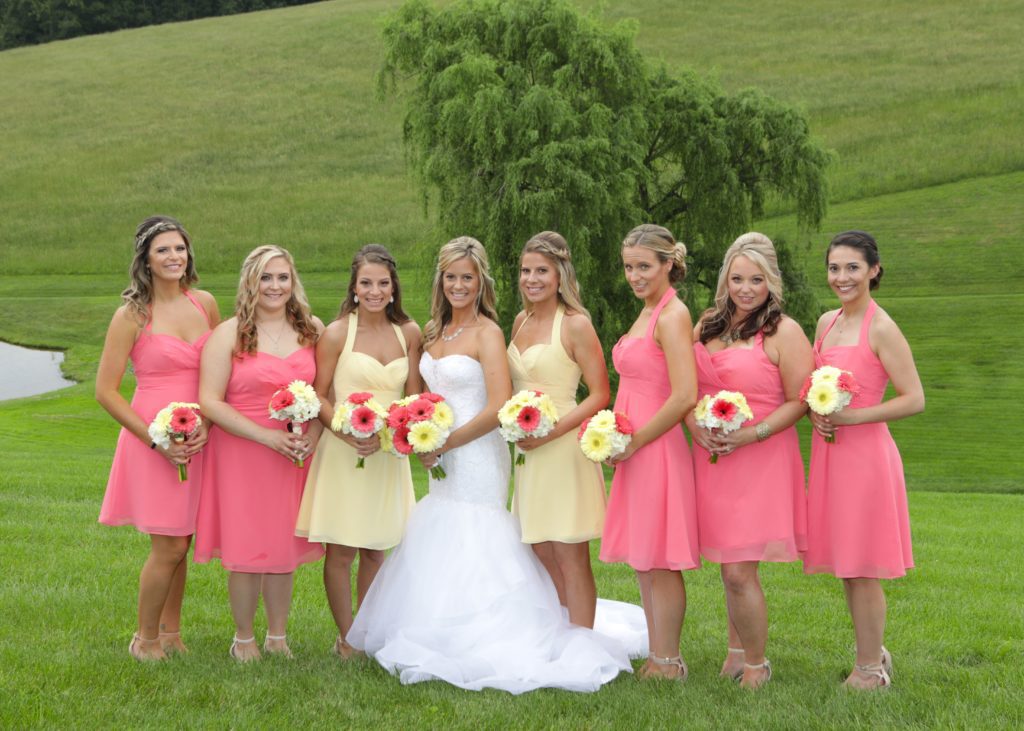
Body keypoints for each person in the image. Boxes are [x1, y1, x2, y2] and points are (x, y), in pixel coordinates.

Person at [347, 236, 633, 694]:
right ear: (440, 280)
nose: (459, 285)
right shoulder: (438, 332)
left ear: (481, 282)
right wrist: (416, 434)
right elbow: (420, 394)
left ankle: (554, 637)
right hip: (458, 452)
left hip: (480, 451)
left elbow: (499, 402)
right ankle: (450, 629)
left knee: (500, 535)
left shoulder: (491, 331)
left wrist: (448, 442)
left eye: (468, 277)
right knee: (519, 543)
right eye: (451, 277)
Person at [685, 232, 812, 689]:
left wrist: (749, 434)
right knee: (728, 564)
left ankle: (757, 664)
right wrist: (693, 424)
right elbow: (685, 386)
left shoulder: (784, 331)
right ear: (724, 280)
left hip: (761, 457)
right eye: (737, 278)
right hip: (714, 457)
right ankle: (735, 652)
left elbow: (800, 400)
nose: (745, 288)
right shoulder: (706, 326)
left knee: (740, 570)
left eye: (755, 279)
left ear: (771, 282)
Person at [805, 230, 924, 689]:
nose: (842, 277)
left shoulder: (881, 327)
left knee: (864, 566)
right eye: (834, 268)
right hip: (832, 457)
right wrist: (819, 412)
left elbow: (914, 398)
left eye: (852, 267)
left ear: (874, 270)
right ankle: (872, 653)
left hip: (867, 458)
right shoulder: (825, 322)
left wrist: (854, 418)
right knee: (847, 565)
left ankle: (871, 671)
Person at [97, 216, 219, 661]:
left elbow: (219, 371)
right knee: (168, 543)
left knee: (181, 537)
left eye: (180, 249)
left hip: (199, 439)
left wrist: (212, 420)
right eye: (163, 250)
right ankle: (144, 639)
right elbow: (105, 391)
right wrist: (156, 441)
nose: (174, 257)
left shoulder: (204, 303)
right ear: (146, 260)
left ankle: (171, 633)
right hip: (153, 442)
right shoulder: (132, 315)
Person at [195, 245, 325, 662]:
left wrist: (314, 438)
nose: (275, 286)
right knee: (247, 547)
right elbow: (211, 402)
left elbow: (324, 397)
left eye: (282, 277)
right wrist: (266, 437)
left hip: (293, 453)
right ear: (251, 282)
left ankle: (278, 636)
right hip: (242, 451)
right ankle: (244, 638)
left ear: (293, 281)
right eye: (266, 277)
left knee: (283, 546)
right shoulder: (229, 334)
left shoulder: (312, 330)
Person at [296, 244, 422, 659]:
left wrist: (400, 431)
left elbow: (414, 399)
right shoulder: (336, 333)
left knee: (376, 546)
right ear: (353, 287)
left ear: (393, 287)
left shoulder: (410, 334)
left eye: (382, 283)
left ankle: (367, 633)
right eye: (366, 283)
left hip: (388, 456)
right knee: (342, 548)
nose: (374, 291)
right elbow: (319, 394)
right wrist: (346, 431)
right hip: (344, 450)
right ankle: (346, 637)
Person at [600, 223, 699, 681]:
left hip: (656, 448)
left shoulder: (672, 315)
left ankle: (670, 659)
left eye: (644, 266)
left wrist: (636, 440)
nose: (634, 275)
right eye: (628, 267)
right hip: (633, 449)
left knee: (660, 558)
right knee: (643, 556)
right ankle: (658, 653)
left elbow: (683, 396)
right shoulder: (645, 312)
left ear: (668, 265)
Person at [507, 232, 609, 628]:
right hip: (527, 451)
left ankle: (582, 640)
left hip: (563, 447)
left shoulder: (576, 324)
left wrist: (549, 433)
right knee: (539, 547)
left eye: (541, 271)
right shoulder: (521, 320)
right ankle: (561, 627)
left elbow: (599, 393)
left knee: (569, 551)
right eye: (525, 271)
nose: (531, 279)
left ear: (560, 274)